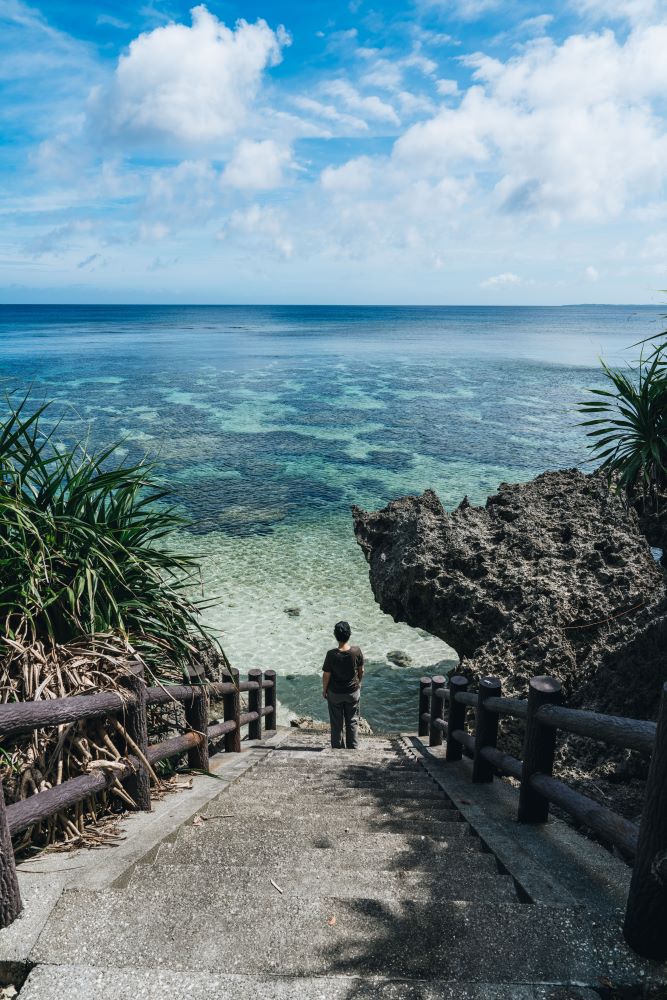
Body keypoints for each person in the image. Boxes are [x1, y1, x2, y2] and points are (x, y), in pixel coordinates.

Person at [322, 620, 364, 749]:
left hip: (335, 693)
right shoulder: (356, 651)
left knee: (336, 723)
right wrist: (359, 683)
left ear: (335, 635)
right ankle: (353, 748)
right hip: (352, 692)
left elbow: (326, 675)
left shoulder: (331, 654)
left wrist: (324, 690)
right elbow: (361, 670)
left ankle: (337, 748)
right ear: (349, 634)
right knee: (352, 721)